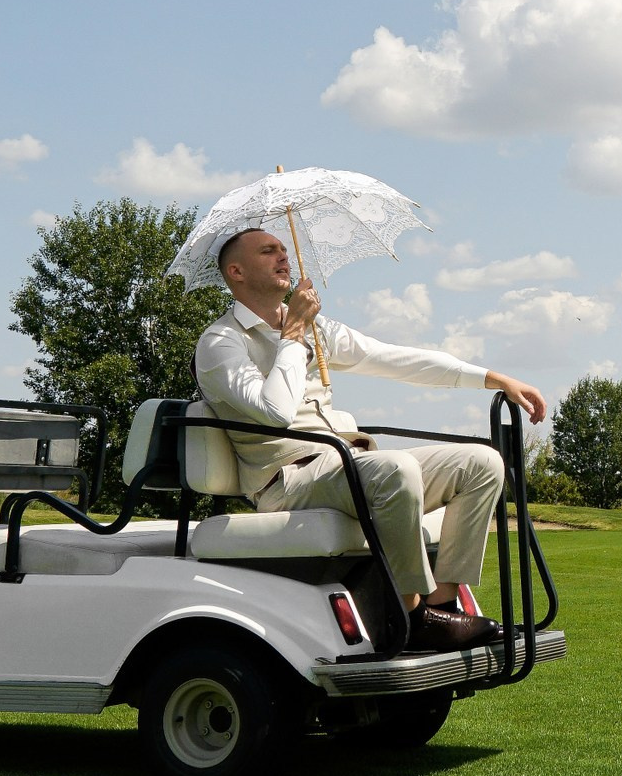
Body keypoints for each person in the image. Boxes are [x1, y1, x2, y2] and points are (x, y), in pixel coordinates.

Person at [196, 226, 549, 653]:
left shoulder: (315, 330)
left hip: (345, 465)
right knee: (394, 468)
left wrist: (492, 378)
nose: (283, 258)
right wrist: (293, 336)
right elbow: (274, 411)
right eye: (268, 251)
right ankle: (410, 615)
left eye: (284, 250)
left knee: (482, 462)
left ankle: (443, 604)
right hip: (287, 480)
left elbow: (393, 358)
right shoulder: (220, 343)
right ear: (236, 271)